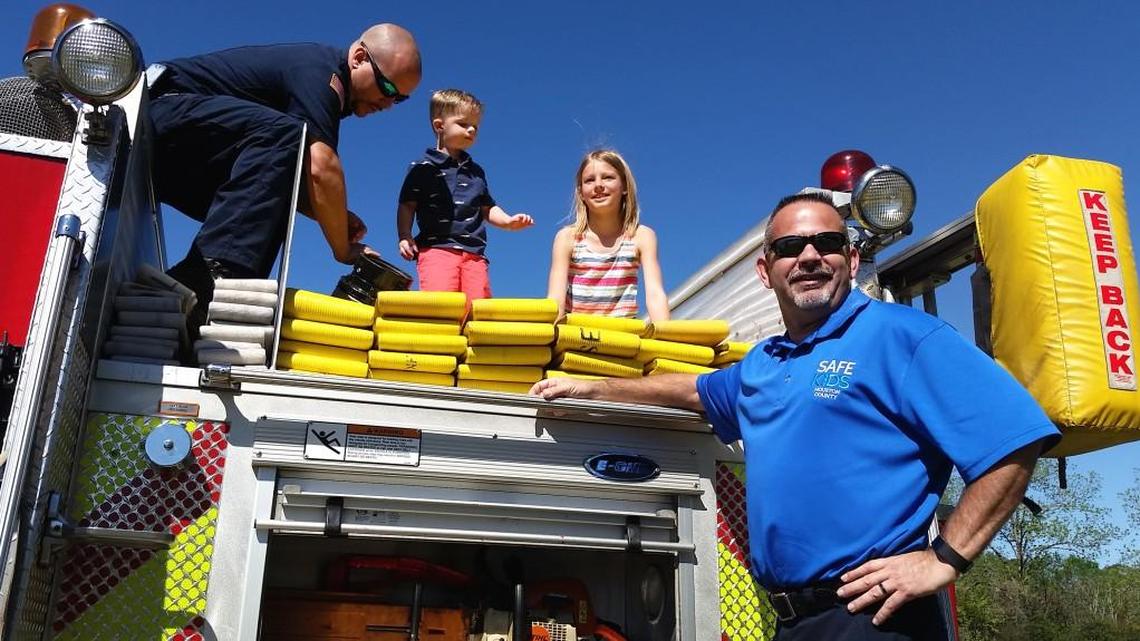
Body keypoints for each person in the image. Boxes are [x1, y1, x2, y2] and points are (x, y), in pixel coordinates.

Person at [531, 192, 1060, 640]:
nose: (809, 256)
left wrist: (945, 558)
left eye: (826, 243)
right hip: (789, 621)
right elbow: (692, 391)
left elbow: (1013, 438)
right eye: (789, 248)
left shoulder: (903, 337)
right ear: (766, 271)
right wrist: (596, 387)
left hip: (876, 616)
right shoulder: (764, 363)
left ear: (850, 261)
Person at [150, 25, 422, 323]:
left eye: (400, 99)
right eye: (388, 89)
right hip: (159, 115)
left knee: (284, 183)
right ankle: (206, 279)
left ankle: (228, 297)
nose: (389, 104)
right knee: (291, 136)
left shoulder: (323, 85)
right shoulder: (319, 73)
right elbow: (322, 166)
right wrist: (342, 248)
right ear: (358, 57)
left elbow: (275, 173)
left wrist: (328, 213)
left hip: (187, 144)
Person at [396, 89, 533, 302]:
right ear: (440, 126)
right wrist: (405, 234)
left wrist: (507, 221)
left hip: (474, 255)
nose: (471, 130)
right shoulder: (422, 168)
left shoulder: (476, 172)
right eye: (463, 124)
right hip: (437, 250)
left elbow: (487, 207)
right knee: (440, 306)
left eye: (475, 127)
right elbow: (407, 205)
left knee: (476, 309)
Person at [545, 149, 669, 321]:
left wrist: (665, 339)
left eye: (608, 177)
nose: (598, 185)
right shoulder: (567, 238)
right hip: (576, 337)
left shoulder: (642, 236)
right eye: (589, 180)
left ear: (624, 186)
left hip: (623, 336)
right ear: (581, 193)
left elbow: (655, 294)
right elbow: (555, 299)